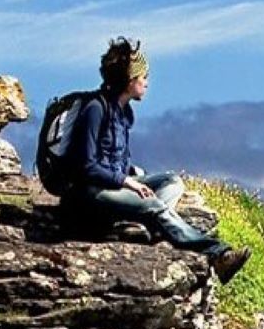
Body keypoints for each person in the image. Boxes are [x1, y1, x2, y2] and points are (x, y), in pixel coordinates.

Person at [63, 37, 250, 283]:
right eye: (144, 77)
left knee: (172, 181)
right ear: (130, 80)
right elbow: (85, 167)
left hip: (115, 185)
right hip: (91, 194)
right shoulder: (95, 110)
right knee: (153, 205)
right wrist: (128, 183)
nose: (147, 83)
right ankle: (217, 254)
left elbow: (115, 159)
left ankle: (154, 228)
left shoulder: (123, 113)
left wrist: (132, 174)